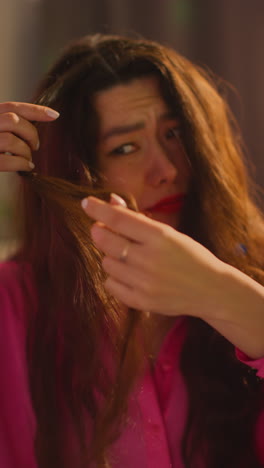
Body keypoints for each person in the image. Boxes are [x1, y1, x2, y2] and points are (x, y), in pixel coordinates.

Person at [0, 33, 263, 468]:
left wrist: (224, 295)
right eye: (125, 148)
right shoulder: (14, 304)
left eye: (176, 134)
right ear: (73, 172)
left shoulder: (252, 270)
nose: (167, 170)